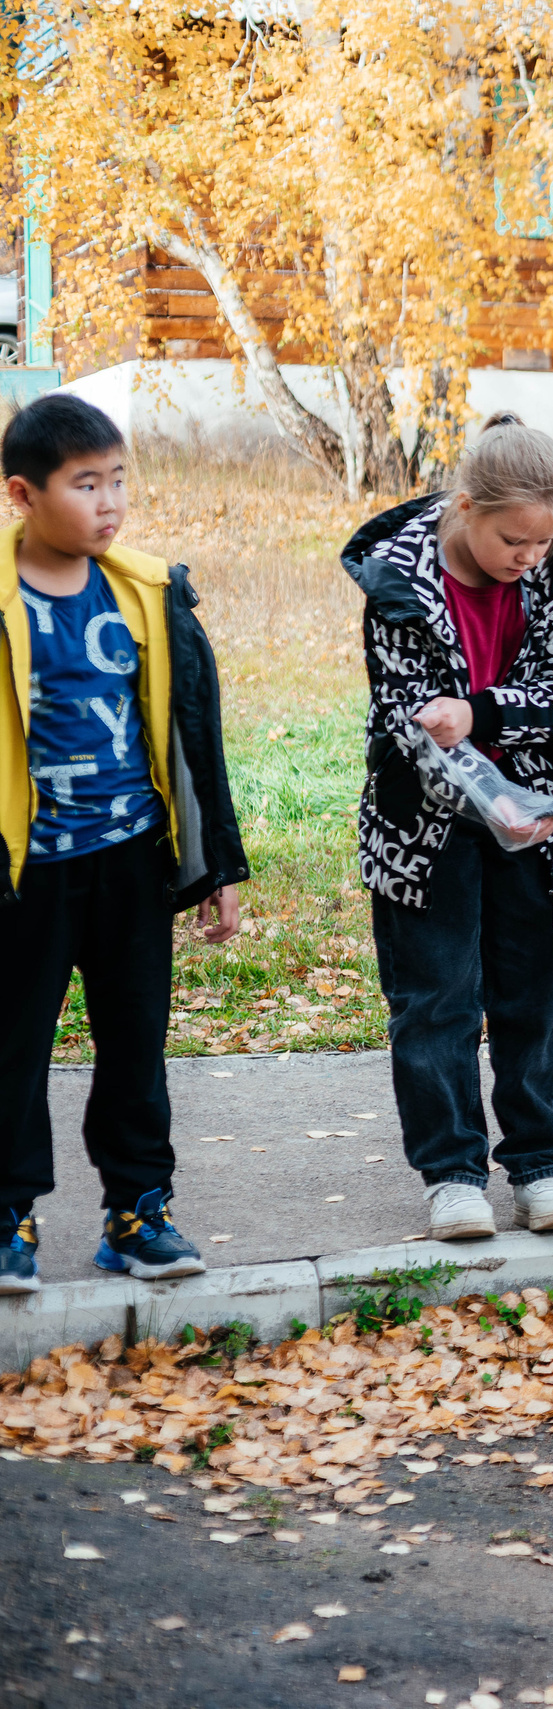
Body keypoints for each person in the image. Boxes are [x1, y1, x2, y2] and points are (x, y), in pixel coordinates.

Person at [0, 394, 247, 1292]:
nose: (110, 502)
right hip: (23, 872)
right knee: (13, 1049)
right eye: (86, 484)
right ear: (22, 494)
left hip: (130, 863)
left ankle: (139, 1214)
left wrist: (216, 861)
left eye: (118, 480)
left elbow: (194, 733)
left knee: (136, 1046)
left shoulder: (146, 590)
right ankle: (6, 1217)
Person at [344, 411, 553, 1243]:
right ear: (465, 507)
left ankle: (541, 1166)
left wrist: (483, 713)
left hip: (536, 819)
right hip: (423, 825)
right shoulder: (397, 581)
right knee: (434, 1000)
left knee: (532, 997)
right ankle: (452, 1174)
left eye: (540, 543)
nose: (528, 558)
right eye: (511, 541)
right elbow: (407, 718)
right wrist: (483, 789)